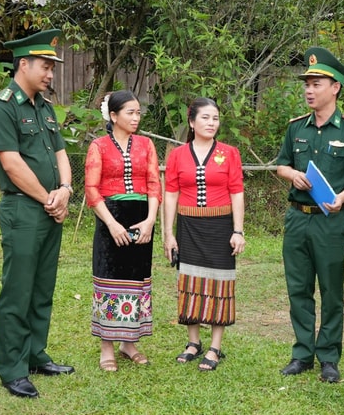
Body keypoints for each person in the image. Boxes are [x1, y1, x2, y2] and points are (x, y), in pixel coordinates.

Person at [0, 29, 75, 399]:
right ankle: (12, 367)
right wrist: (47, 199)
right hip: (23, 208)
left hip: (51, 208)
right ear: (23, 64)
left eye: (52, 67)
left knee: (42, 287)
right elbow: (12, 162)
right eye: (45, 66)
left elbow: (60, 155)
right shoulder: (1, 107)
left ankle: (36, 353)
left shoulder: (45, 108)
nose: (50, 73)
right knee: (18, 289)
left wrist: (65, 191)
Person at [275, 47, 344, 383]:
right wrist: (292, 175)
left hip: (331, 220)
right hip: (297, 218)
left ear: (336, 88)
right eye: (307, 83)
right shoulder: (295, 128)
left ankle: (328, 356)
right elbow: (281, 164)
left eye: (317, 83)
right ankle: (302, 353)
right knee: (298, 288)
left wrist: (343, 198)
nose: (309, 89)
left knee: (331, 289)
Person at [163, 98, 245, 371]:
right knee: (190, 284)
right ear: (191, 122)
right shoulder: (177, 155)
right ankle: (193, 342)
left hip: (220, 227)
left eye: (216, 118)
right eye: (206, 118)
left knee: (220, 285)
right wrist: (168, 234)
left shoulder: (229, 153)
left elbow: (237, 192)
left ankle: (215, 347)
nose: (212, 123)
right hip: (188, 227)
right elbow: (171, 194)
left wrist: (238, 230)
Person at [84, 91, 161, 371]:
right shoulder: (99, 146)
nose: (136, 118)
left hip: (141, 217)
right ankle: (107, 346)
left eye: (138, 112)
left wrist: (151, 219)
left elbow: (154, 183)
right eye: (130, 112)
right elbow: (92, 188)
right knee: (109, 277)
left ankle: (129, 343)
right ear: (113, 116)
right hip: (111, 217)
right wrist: (111, 223)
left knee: (136, 278)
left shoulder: (146, 145)